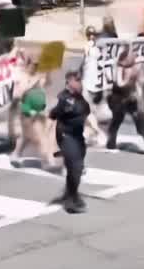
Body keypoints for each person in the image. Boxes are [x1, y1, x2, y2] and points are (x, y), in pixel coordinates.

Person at [50, 70, 91, 214]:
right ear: (69, 83)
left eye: (80, 80)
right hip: (67, 136)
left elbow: (85, 114)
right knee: (76, 167)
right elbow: (54, 114)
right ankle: (70, 201)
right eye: (77, 80)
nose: (80, 83)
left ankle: (71, 193)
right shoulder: (66, 99)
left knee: (76, 170)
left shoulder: (80, 98)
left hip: (78, 137)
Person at [104, 46, 144, 151]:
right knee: (116, 121)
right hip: (118, 99)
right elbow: (120, 83)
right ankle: (110, 145)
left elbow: (139, 83)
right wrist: (129, 77)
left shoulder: (135, 67)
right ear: (125, 58)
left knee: (141, 121)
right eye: (132, 55)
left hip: (131, 99)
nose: (135, 57)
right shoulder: (119, 68)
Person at [10, 51, 57, 169]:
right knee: (40, 136)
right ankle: (49, 161)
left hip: (40, 111)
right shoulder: (22, 77)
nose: (35, 67)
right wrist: (33, 82)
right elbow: (18, 94)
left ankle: (16, 154)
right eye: (34, 65)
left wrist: (48, 72)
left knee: (27, 136)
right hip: (27, 111)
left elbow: (48, 83)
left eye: (38, 65)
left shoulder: (39, 76)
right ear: (28, 64)